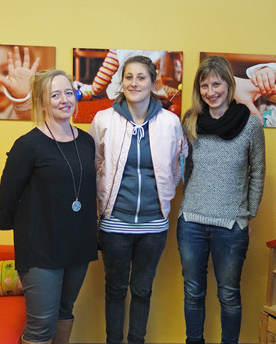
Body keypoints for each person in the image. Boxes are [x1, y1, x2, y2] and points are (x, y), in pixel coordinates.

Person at [0, 47, 98, 344]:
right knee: (41, 324)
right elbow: (8, 197)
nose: (64, 100)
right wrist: (25, 235)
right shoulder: (28, 145)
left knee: (65, 312)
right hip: (40, 249)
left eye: (68, 93)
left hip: (78, 244)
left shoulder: (88, 141)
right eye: (55, 95)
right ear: (41, 101)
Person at [88, 55, 187, 344]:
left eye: (141, 77)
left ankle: (137, 340)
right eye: (128, 77)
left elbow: (177, 166)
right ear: (121, 82)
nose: (134, 83)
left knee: (143, 290)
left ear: (153, 82)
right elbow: (93, 163)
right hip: (114, 224)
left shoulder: (170, 122)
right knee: (116, 289)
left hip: (154, 226)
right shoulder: (103, 119)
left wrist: (164, 198)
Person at [178, 56, 266, 344]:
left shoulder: (250, 124)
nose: (210, 91)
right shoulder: (190, 121)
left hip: (230, 225)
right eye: (204, 85)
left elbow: (258, 170)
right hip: (191, 222)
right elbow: (186, 169)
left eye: (216, 83)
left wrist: (248, 214)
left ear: (229, 85)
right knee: (193, 292)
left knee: (228, 294)